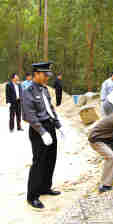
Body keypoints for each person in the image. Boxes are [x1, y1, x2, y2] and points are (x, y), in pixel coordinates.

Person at [22, 62, 65, 209]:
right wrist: (42, 132)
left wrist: (58, 124)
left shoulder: (44, 89)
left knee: (50, 159)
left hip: (50, 126)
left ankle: (45, 187)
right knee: (39, 162)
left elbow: (50, 108)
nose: (47, 77)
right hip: (38, 129)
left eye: (48, 75)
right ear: (36, 74)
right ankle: (32, 196)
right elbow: (29, 115)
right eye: (45, 75)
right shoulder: (28, 91)